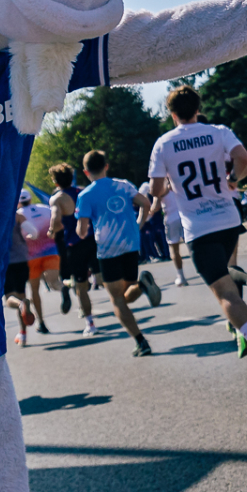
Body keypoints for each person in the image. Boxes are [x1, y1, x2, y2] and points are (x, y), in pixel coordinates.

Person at [148, 85, 247, 381]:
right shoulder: (219, 131)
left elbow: (156, 190)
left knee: (223, 291)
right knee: (226, 270)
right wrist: (232, 180)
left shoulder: (164, 143)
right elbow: (245, 160)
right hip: (228, 218)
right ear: (197, 107)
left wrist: (169, 183)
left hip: (199, 226)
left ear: (171, 113)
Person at [70, 150, 162, 356]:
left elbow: (82, 231)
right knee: (126, 294)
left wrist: (80, 230)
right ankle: (143, 285)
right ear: (106, 166)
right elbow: (146, 203)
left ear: (86, 172)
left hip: (108, 249)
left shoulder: (85, 195)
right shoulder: (123, 184)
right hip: (131, 243)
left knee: (117, 300)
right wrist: (139, 223)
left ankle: (141, 342)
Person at [49, 165, 100, 335]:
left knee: (81, 286)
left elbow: (56, 221)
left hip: (75, 244)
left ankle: (90, 324)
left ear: (55, 181)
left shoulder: (58, 198)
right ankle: (135, 288)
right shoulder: (84, 191)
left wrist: (51, 231)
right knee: (104, 278)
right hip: (94, 239)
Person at [21, 191, 60, 335]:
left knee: (34, 290)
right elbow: (57, 221)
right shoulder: (44, 208)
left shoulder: (18, 214)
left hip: (31, 256)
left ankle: (41, 322)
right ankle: (64, 289)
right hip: (51, 251)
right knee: (55, 282)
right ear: (30, 199)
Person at [4, 194, 34, 343]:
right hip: (21, 258)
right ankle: (23, 333)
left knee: (10, 297)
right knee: (21, 293)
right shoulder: (17, 216)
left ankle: (21, 304)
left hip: (4, 261)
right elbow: (33, 233)